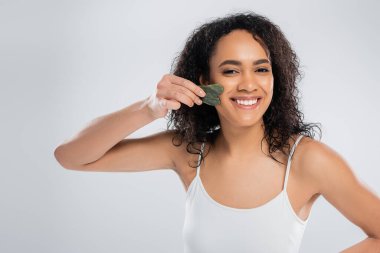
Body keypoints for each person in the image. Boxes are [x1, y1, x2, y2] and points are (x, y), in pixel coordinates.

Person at [54, 11, 380, 253]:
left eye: (261, 69)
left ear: (275, 79)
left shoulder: (308, 160)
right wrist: (149, 108)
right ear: (204, 83)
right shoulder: (187, 152)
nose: (249, 84)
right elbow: (71, 157)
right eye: (231, 70)